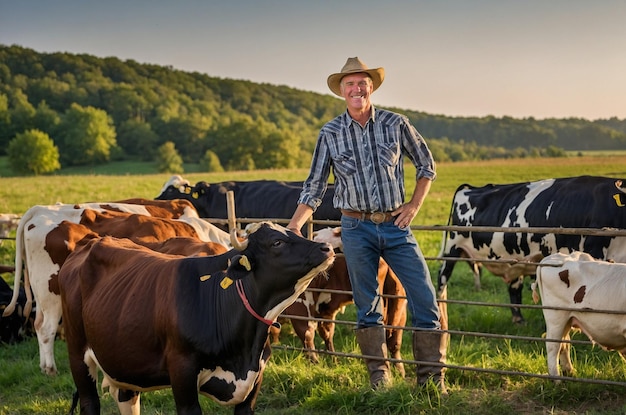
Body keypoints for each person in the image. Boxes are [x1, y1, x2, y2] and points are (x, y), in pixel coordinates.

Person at [287, 57, 447, 392]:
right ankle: (380, 377)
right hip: (355, 228)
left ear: (371, 87)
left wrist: (414, 205)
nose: (357, 89)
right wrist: (295, 226)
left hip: (395, 226)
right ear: (341, 91)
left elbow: (426, 166)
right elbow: (314, 186)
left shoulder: (395, 123)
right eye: (350, 84)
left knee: (425, 298)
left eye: (362, 83)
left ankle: (432, 381)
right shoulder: (330, 133)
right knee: (367, 305)